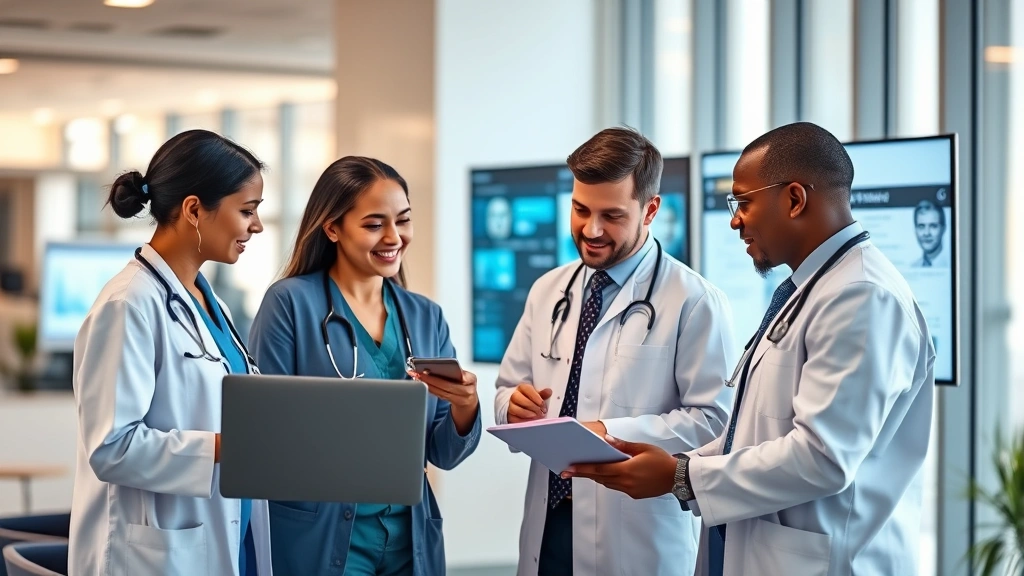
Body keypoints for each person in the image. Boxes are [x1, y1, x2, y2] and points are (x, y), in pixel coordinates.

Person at [565, 122, 935, 576]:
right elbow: (757, 431)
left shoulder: (862, 296)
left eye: (744, 202)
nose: (735, 219)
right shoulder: (809, 289)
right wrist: (681, 466)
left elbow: (823, 458)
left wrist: (681, 477)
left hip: (824, 561)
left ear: (795, 199)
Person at [494, 127, 736, 576]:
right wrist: (514, 404)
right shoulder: (549, 290)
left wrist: (604, 430)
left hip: (636, 537)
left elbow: (714, 422)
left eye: (612, 215)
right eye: (580, 209)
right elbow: (508, 386)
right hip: (549, 525)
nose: (591, 229)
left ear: (651, 210)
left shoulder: (694, 300)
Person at [248, 156, 482, 576]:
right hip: (319, 539)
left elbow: (443, 452)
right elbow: (265, 436)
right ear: (332, 228)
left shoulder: (424, 316)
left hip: (408, 542)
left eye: (403, 221)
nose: (394, 237)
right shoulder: (290, 304)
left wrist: (465, 405)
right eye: (374, 224)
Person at [69, 129, 271, 575]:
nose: (256, 226)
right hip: (154, 553)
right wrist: (223, 447)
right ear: (194, 210)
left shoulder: (203, 298)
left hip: (221, 531)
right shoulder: (129, 303)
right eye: (247, 211)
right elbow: (111, 446)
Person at [911, 199, 949, 267]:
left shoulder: (952, 265)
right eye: (921, 226)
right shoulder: (913, 267)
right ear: (915, 230)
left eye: (933, 226)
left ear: (943, 229)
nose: (926, 233)